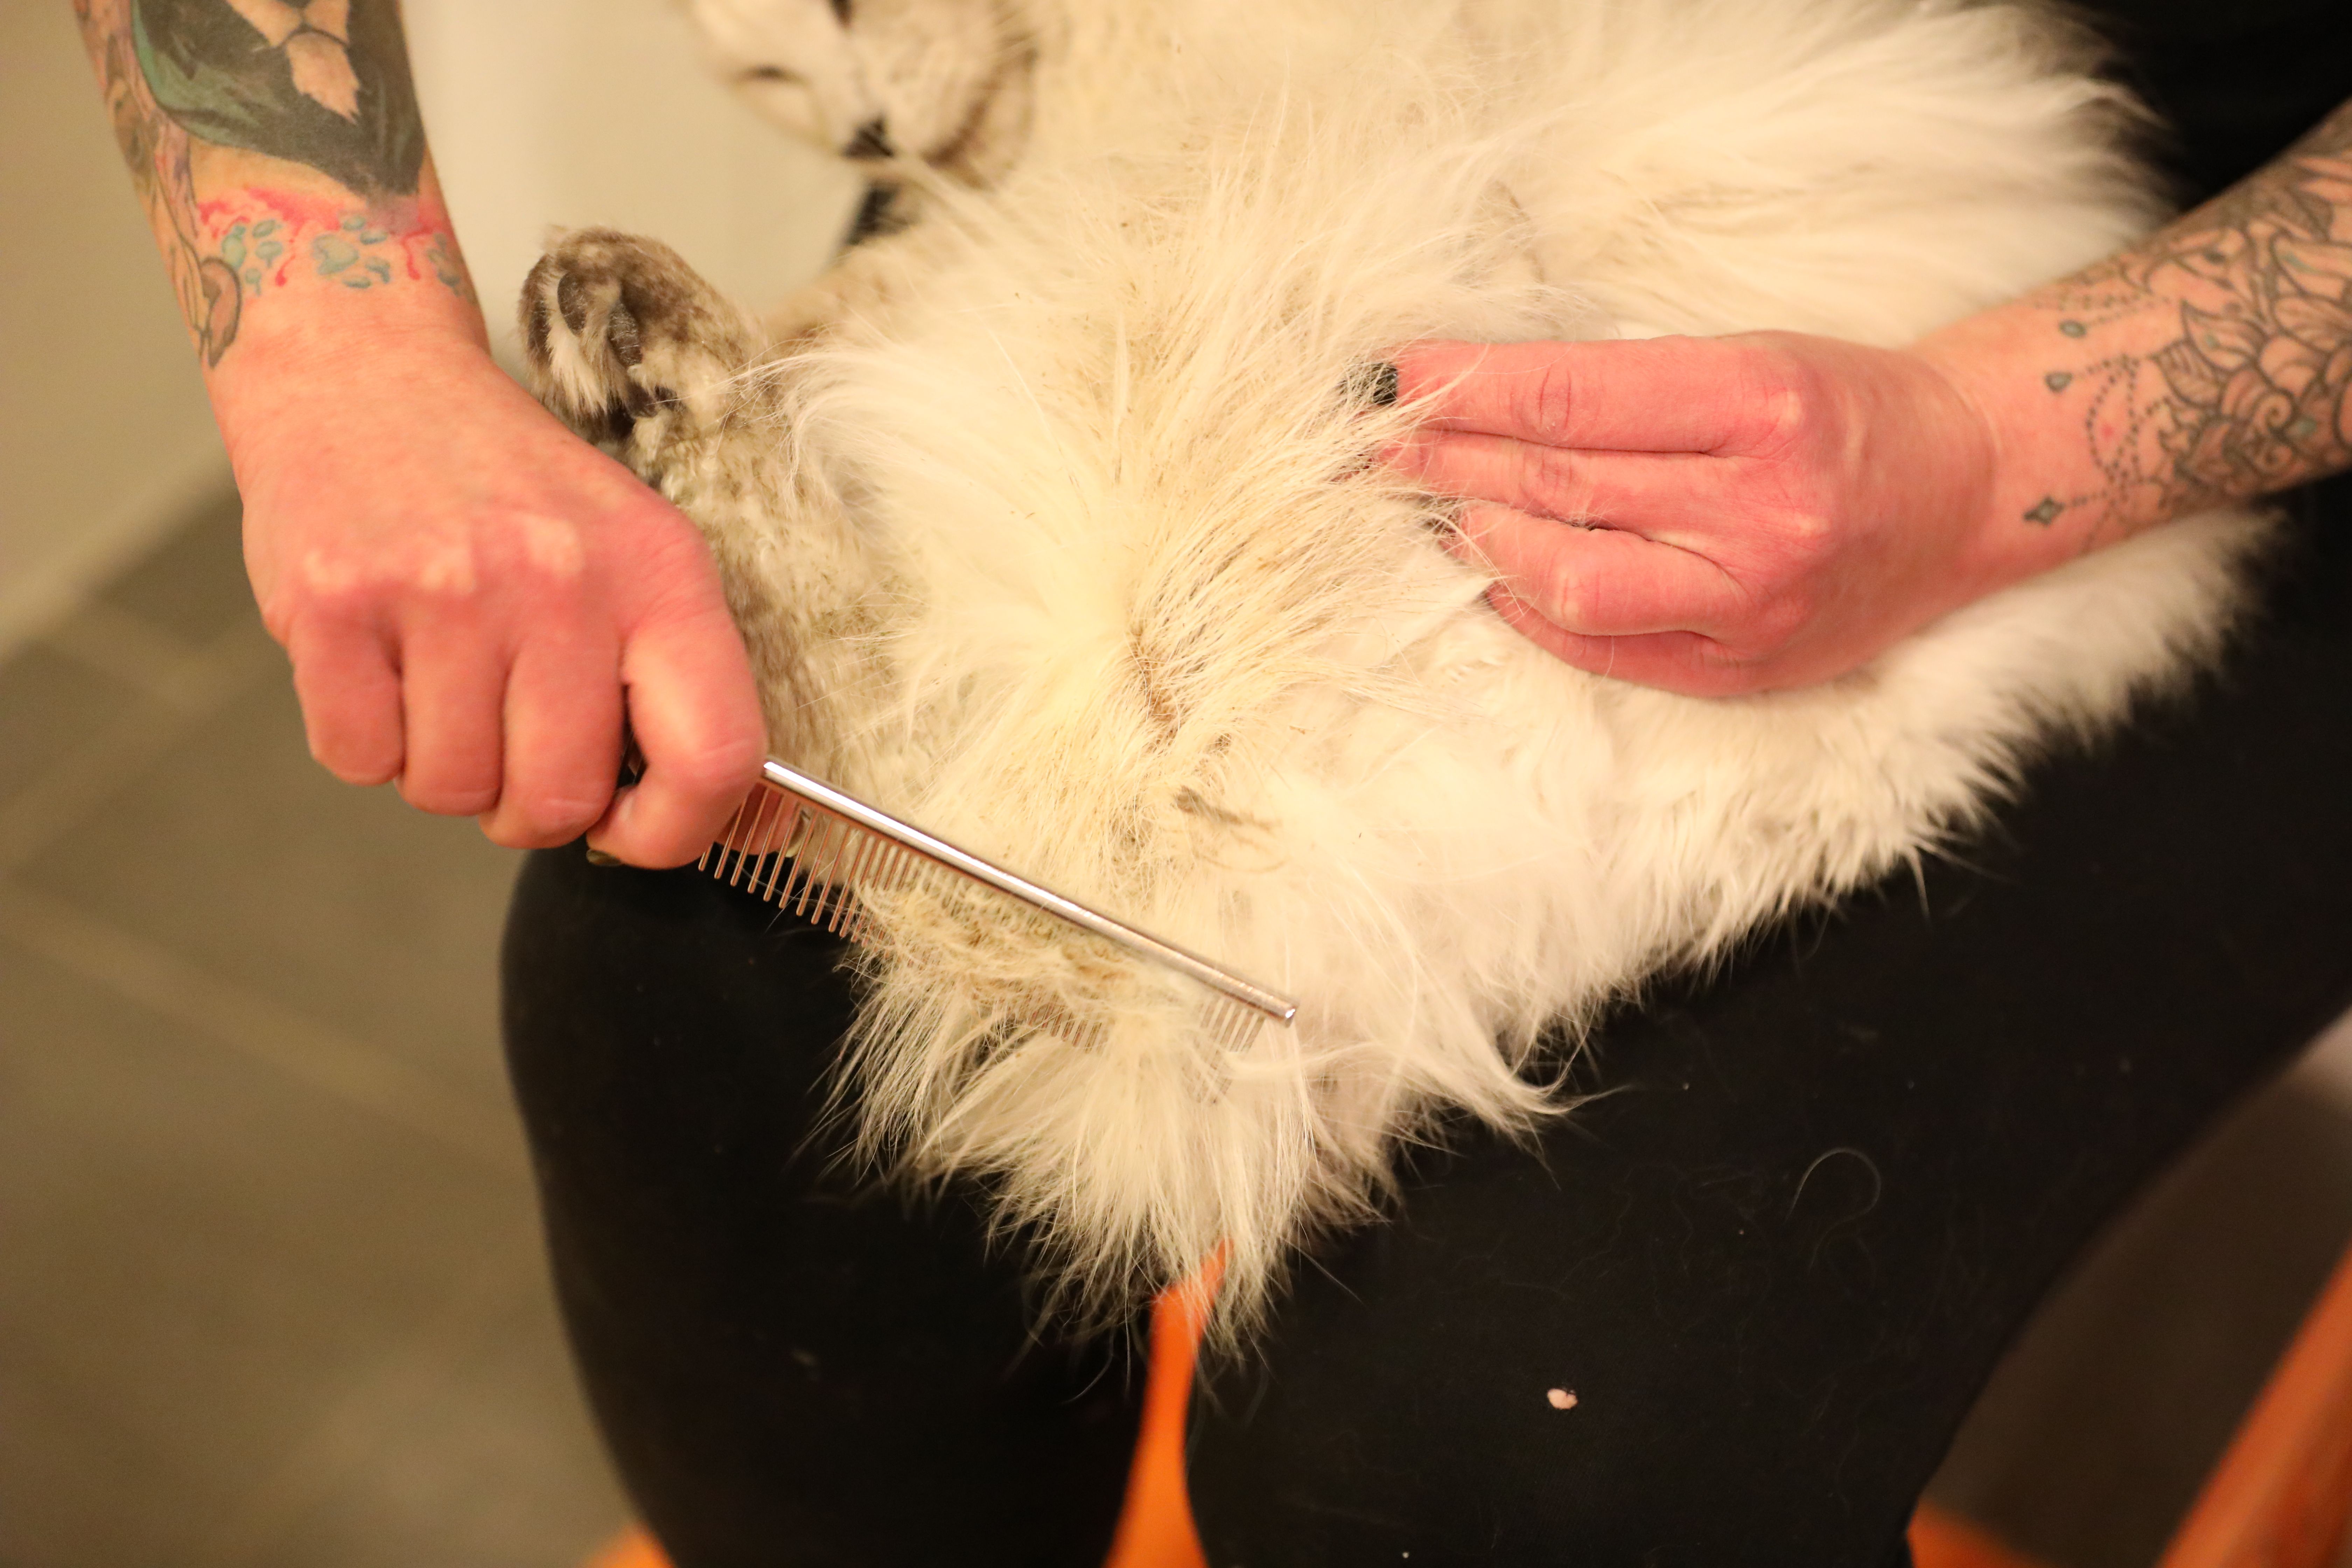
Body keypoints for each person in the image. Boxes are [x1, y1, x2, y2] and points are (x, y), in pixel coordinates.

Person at [80, 2, 2352, 1566]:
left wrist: (1985, 442)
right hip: (1237, 120)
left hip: (2154, 329)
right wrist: (336, 348)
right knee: (672, 1006)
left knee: (1516, 1448)